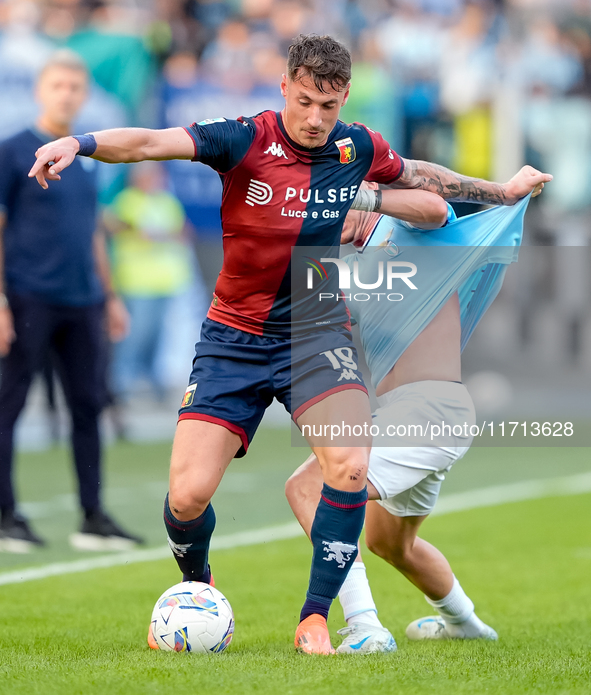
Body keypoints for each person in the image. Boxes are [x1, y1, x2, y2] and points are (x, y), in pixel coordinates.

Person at [28, 35, 550, 654]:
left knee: (349, 466)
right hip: (233, 337)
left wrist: (501, 191)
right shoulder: (243, 138)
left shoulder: (358, 147)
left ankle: (319, 619)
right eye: (304, 101)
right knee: (187, 496)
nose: (314, 119)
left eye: (327, 106)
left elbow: (429, 184)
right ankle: (200, 589)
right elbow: (149, 143)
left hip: (314, 331)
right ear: (285, 87)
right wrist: (78, 143)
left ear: (344, 98)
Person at [285, 181, 535, 653]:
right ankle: (466, 623)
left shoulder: (412, 229)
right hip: (413, 416)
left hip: (430, 412)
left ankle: (365, 626)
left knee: (308, 487)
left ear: (372, 191)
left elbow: (436, 208)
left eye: (346, 198)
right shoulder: (351, 264)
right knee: (389, 543)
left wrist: (506, 190)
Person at [0, 50, 143, 553]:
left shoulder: (82, 158)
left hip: (83, 300)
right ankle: (6, 517)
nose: (67, 93)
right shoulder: (13, 150)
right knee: (8, 406)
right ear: (41, 89)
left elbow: (93, 233)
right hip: (28, 297)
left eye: (75, 87)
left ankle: (92, 517)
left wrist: (111, 297)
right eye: (58, 85)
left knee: (88, 407)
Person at [104, 161, 194, 401]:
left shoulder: (167, 201)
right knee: (135, 335)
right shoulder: (128, 200)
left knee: (157, 335)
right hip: (137, 281)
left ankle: (152, 381)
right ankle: (120, 383)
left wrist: (157, 235)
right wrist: (144, 232)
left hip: (166, 280)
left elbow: (183, 231)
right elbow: (113, 224)